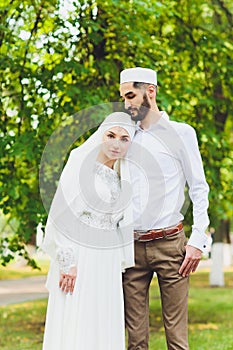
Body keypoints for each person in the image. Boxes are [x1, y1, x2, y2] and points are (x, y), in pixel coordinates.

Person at [119, 67, 209, 350]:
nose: (126, 104)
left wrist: (197, 241)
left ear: (151, 92)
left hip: (171, 245)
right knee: (135, 340)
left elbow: (199, 188)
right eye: (122, 98)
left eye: (131, 95)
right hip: (131, 247)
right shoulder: (124, 138)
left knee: (177, 338)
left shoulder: (181, 133)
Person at [41, 112, 136, 350]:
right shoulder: (80, 163)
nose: (116, 144)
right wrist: (67, 261)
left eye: (124, 139)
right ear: (100, 135)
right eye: (111, 136)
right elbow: (63, 215)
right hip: (81, 253)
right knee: (79, 314)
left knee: (103, 315)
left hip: (108, 258)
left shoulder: (121, 177)